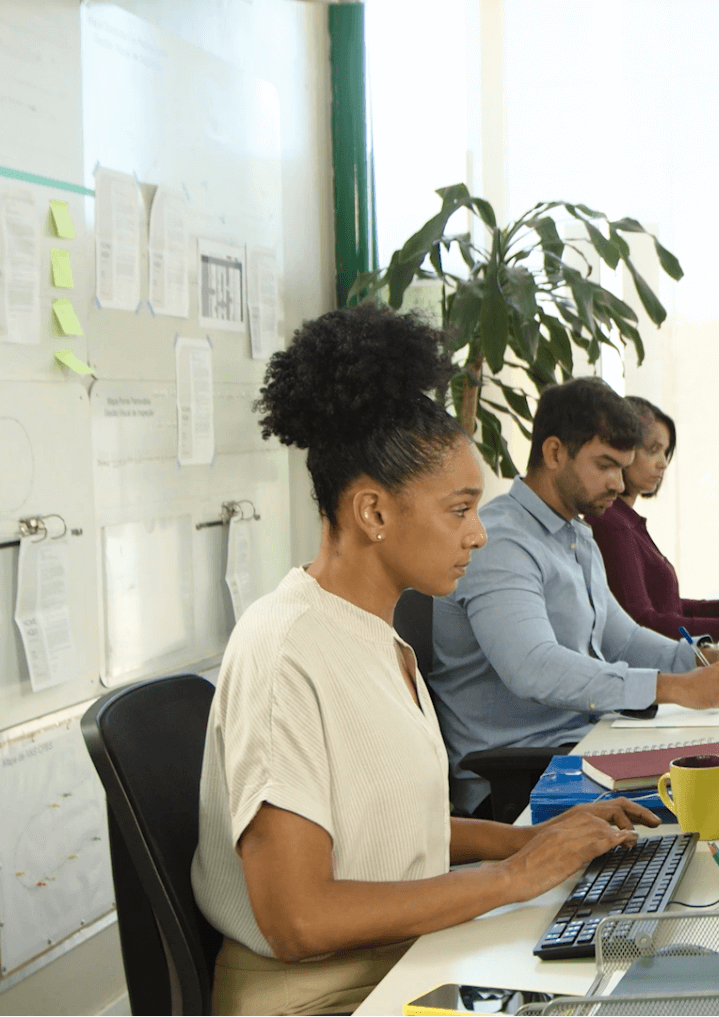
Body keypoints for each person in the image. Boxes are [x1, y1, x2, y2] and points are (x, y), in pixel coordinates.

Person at [191, 308, 659, 1017]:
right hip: (323, 995)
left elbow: (391, 826)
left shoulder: (376, 636)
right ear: (373, 512)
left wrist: (537, 838)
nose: (477, 533)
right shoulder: (286, 650)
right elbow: (300, 919)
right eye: (459, 508)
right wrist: (511, 876)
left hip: (405, 956)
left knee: (643, 971)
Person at [429, 377, 719, 819]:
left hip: (578, 749)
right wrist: (674, 688)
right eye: (605, 465)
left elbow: (622, 639)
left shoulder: (574, 533)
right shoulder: (502, 541)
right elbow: (533, 667)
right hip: (520, 779)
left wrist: (699, 660)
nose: (618, 484)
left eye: (622, 467)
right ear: (554, 453)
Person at [587, 395, 719, 641]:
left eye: (665, 452)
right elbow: (643, 622)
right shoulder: (612, 524)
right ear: (622, 449)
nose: (663, 463)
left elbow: (669, 606)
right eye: (653, 450)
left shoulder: (626, 521)